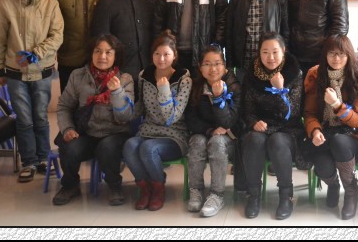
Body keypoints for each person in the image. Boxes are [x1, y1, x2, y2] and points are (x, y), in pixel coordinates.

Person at [0, 0, 64, 183]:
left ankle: (43, 159)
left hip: (42, 70)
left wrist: (37, 53)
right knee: (23, 119)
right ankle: (29, 162)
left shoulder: (51, 4)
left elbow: (57, 36)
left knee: (41, 117)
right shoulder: (5, 3)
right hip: (15, 73)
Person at [53, 34, 136, 206]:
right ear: (91, 53)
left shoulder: (125, 79)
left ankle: (114, 186)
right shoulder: (78, 76)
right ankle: (70, 186)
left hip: (115, 133)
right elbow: (64, 106)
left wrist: (117, 92)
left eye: (108, 52)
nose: (102, 56)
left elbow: (125, 117)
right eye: (97, 51)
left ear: (115, 56)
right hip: (86, 132)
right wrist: (67, 128)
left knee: (107, 147)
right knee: (69, 147)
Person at [303, 35, 358, 220]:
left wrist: (336, 105)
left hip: (353, 137)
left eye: (342, 54)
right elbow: (309, 113)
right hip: (326, 134)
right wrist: (315, 130)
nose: (336, 59)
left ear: (349, 55)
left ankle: (350, 190)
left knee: (339, 141)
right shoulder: (316, 76)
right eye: (332, 53)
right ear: (325, 55)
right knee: (322, 164)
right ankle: (333, 185)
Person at [122, 31, 192, 211]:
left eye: (166, 54)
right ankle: (145, 189)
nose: (161, 59)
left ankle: (159, 188)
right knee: (129, 145)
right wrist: (121, 106)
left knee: (148, 148)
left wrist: (164, 91)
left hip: (174, 136)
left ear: (174, 55)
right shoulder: (144, 75)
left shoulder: (184, 79)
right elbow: (141, 107)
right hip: (148, 131)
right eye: (157, 54)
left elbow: (171, 118)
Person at [241, 32, 304, 220]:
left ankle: (286, 196)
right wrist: (253, 122)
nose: (270, 57)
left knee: (277, 141)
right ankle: (253, 195)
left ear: (283, 51)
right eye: (265, 52)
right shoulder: (252, 74)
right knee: (253, 139)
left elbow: (293, 112)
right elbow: (247, 108)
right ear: (259, 53)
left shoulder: (294, 72)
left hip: (287, 128)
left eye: (275, 52)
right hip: (261, 127)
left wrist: (279, 90)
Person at [185, 45, 243, 217]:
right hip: (205, 133)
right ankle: (196, 190)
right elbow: (191, 119)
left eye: (217, 63)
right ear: (200, 67)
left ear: (224, 66)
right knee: (197, 141)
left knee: (217, 142)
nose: (213, 69)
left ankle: (217, 194)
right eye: (207, 64)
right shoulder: (196, 87)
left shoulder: (234, 87)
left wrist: (218, 98)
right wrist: (209, 130)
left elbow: (229, 122)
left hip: (229, 139)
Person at [49, 0, 109, 92]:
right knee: (69, 98)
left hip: (96, 58)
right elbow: (49, 27)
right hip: (68, 58)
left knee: (95, 99)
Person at [92, 0, 156, 88]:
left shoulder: (151, 2)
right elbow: (100, 40)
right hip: (118, 75)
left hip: (151, 73)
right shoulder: (106, 3)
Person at [227, 0, 289, 83]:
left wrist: (283, 61)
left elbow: (285, 33)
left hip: (271, 64)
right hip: (244, 64)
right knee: (243, 96)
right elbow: (229, 33)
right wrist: (230, 66)